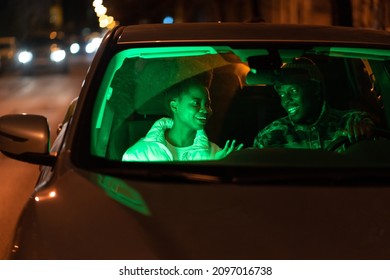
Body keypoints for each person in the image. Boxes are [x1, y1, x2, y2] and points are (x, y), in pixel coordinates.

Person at [253, 57, 375, 151]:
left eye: (293, 91)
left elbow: (366, 126)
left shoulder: (349, 121)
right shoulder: (270, 137)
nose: (286, 100)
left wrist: (364, 128)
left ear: (315, 89)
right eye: (282, 94)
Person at [122, 70, 243, 161]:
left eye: (207, 104)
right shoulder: (138, 154)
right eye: (196, 103)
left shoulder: (215, 154)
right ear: (174, 106)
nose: (205, 110)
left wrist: (217, 166)